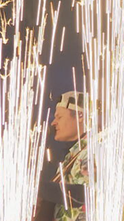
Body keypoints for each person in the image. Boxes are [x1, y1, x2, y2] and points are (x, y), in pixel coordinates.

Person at [34, 91, 90, 221]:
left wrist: (36, 188)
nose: (53, 123)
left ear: (80, 115)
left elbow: (84, 195)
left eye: (59, 117)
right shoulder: (74, 154)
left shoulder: (93, 150)